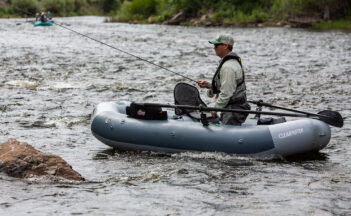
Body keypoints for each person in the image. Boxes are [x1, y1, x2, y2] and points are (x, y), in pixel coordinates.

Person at [197, 34, 250, 125]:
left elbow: (226, 93)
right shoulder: (230, 63)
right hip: (234, 107)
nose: (214, 48)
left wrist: (214, 109)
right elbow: (229, 86)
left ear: (225, 46)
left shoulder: (228, 67)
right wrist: (209, 86)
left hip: (233, 110)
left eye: (216, 45)